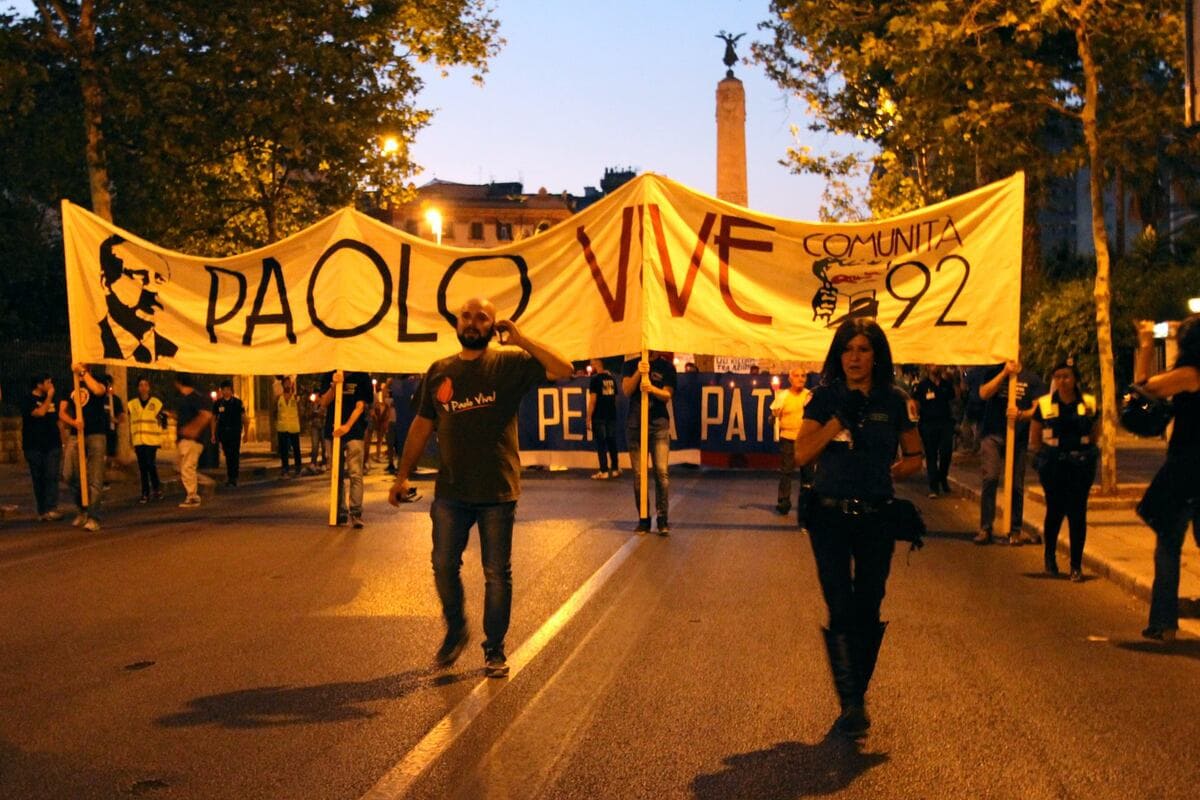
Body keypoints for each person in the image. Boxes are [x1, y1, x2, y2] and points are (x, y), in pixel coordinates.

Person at [389, 297, 571, 678]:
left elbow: (564, 368)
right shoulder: (439, 371)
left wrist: (521, 340)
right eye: (467, 316)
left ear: (493, 326)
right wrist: (402, 475)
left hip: (497, 492)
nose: (473, 322)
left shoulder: (509, 364)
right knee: (443, 565)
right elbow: (422, 426)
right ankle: (457, 629)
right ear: (457, 323)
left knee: (496, 574)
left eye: (482, 318)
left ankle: (494, 648)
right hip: (451, 492)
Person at [793, 318, 923, 738]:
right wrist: (838, 420)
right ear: (839, 355)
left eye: (864, 349)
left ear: (876, 355)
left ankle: (856, 695)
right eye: (848, 349)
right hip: (829, 516)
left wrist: (887, 474)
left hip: (876, 516)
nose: (854, 357)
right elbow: (801, 454)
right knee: (840, 605)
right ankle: (851, 703)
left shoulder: (895, 400)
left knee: (868, 606)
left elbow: (914, 456)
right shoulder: (824, 398)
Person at [1134, 316, 1200, 641]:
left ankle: (1164, 623)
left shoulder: (1191, 375)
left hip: (1187, 468)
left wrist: (1146, 346)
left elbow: (1143, 390)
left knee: (1169, 543)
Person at [1028, 358, 1099, 581]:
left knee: (1078, 514)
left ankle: (1076, 565)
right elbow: (1035, 436)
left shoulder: (1089, 402)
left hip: (1080, 465)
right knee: (1055, 512)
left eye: (1066, 376)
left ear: (1075, 379)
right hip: (1054, 465)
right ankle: (1050, 558)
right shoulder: (1045, 404)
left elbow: (1095, 433)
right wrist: (1041, 458)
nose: (1062, 381)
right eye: (1057, 377)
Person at [971, 361, 1045, 545]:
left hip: (1017, 437)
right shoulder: (993, 372)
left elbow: (1038, 409)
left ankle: (1015, 530)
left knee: (1016, 484)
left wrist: (1021, 414)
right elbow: (984, 393)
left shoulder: (1031, 379)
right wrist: (1004, 373)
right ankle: (986, 528)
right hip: (992, 434)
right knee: (990, 478)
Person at [623, 351, 677, 535]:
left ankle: (662, 519)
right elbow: (627, 390)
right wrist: (639, 372)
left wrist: (651, 389)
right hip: (635, 426)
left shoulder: (667, 367)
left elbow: (667, 395)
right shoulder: (630, 364)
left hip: (659, 426)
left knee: (661, 472)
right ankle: (643, 519)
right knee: (639, 475)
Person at [59, 363, 109, 531]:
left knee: (95, 477)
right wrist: (73, 422)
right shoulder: (70, 383)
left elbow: (98, 391)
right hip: (76, 434)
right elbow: (62, 412)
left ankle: (93, 517)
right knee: (69, 474)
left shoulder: (99, 378)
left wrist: (83, 372)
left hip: (96, 433)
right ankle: (82, 509)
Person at [320, 369, 372, 527]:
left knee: (355, 473)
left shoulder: (362, 376)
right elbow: (323, 402)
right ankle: (340, 511)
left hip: (354, 431)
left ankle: (356, 512)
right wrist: (334, 386)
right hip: (333, 431)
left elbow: (360, 406)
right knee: (336, 474)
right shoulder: (329, 374)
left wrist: (347, 426)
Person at [21, 373, 65, 521]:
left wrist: (63, 442)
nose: (51, 385)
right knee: (38, 478)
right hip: (34, 446)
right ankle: (42, 510)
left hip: (52, 444)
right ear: (39, 385)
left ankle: (52, 508)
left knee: (52, 476)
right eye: (48, 382)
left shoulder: (53, 399)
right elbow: (40, 412)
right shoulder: (28, 400)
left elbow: (58, 420)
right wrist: (49, 397)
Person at [770, 367, 811, 516]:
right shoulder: (783, 396)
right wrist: (774, 416)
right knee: (786, 471)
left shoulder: (809, 396)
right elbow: (773, 418)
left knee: (808, 474)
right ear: (790, 379)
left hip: (805, 439)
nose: (800, 378)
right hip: (787, 438)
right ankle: (784, 501)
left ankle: (807, 503)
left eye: (803, 376)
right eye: (797, 376)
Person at [913, 365, 957, 497]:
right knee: (931, 455)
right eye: (932, 364)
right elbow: (916, 404)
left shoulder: (946, 384)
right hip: (928, 424)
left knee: (946, 452)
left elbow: (954, 400)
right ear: (927, 367)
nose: (935, 366)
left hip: (945, 423)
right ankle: (934, 487)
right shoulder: (922, 386)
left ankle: (942, 477)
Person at [170, 373, 212, 508]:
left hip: (192, 440)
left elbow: (206, 415)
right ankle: (205, 482)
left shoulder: (194, 398)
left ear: (178, 383)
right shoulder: (186, 399)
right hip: (185, 440)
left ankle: (193, 497)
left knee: (187, 467)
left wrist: (193, 429)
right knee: (180, 467)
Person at [127, 375, 165, 503]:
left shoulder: (156, 403)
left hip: (151, 440)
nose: (143, 387)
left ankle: (156, 488)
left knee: (150, 464)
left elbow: (162, 419)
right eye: (141, 385)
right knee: (142, 467)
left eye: (145, 385)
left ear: (149, 388)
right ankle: (145, 493)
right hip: (138, 440)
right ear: (138, 388)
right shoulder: (132, 404)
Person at [586, 358, 621, 479]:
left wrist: (588, 417)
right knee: (612, 442)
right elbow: (615, 398)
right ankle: (615, 468)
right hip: (611, 414)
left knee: (601, 443)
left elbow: (593, 400)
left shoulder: (595, 379)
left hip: (599, 415)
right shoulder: (611, 379)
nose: (590, 363)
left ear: (597, 362)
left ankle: (604, 470)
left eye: (592, 361)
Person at [211, 380, 248, 487]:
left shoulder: (237, 403)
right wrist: (213, 434)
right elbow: (213, 419)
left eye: (228, 389)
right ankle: (230, 475)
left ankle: (233, 477)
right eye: (224, 389)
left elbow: (244, 418)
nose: (226, 392)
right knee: (227, 454)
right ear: (221, 391)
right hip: (223, 432)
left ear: (231, 390)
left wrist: (246, 433)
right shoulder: (218, 403)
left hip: (235, 432)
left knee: (234, 454)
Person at [276, 375, 302, 477]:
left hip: (294, 427)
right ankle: (285, 469)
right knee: (284, 450)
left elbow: (300, 411)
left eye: (289, 383)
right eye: (285, 383)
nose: (287, 385)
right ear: (282, 385)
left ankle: (298, 468)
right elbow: (275, 411)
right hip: (282, 427)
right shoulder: (279, 398)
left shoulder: (295, 398)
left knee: (296, 449)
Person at [100, 374, 126, 473]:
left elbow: (122, 416)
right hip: (99, 432)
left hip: (111, 432)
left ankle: (108, 474)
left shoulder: (115, 399)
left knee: (110, 454)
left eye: (109, 384)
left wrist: (116, 420)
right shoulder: (98, 398)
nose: (108, 386)